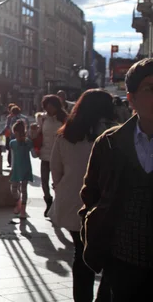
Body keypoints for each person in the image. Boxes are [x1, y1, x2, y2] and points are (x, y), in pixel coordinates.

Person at [80, 58, 153, 300]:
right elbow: (91, 195)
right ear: (131, 98)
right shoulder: (109, 143)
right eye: (149, 88)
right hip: (121, 266)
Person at [49, 89, 115, 302]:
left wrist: (61, 188)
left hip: (71, 201)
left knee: (81, 253)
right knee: (111, 258)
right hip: (104, 203)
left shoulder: (66, 133)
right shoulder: (112, 135)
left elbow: (55, 169)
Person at [36, 95, 68, 216]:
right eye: (46, 107)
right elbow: (36, 135)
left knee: (57, 183)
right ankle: (48, 201)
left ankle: (57, 205)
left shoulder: (64, 119)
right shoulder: (42, 119)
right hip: (45, 155)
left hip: (59, 156)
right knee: (44, 182)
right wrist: (33, 131)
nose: (48, 109)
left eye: (51, 107)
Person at [9, 120, 33, 219]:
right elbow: (13, 157)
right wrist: (12, 168)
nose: (16, 135)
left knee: (24, 190)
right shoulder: (12, 143)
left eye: (17, 133)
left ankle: (23, 210)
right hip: (16, 169)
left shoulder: (28, 142)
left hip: (25, 169)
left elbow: (34, 155)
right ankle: (18, 204)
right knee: (14, 189)